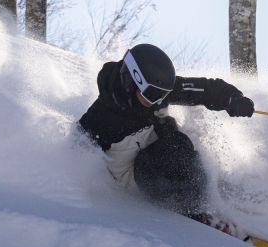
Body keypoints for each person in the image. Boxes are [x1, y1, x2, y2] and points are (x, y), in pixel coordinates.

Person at [78, 43, 255, 216]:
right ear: (131, 81)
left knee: (177, 141)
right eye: (152, 94)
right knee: (171, 150)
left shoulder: (156, 89)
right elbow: (73, 157)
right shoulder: (99, 118)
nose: (156, 100)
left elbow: (204, 89)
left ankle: (219, 189)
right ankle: (196, 209)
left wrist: (232, 100)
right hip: (137, 178)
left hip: (168, 153)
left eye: (161, 95)